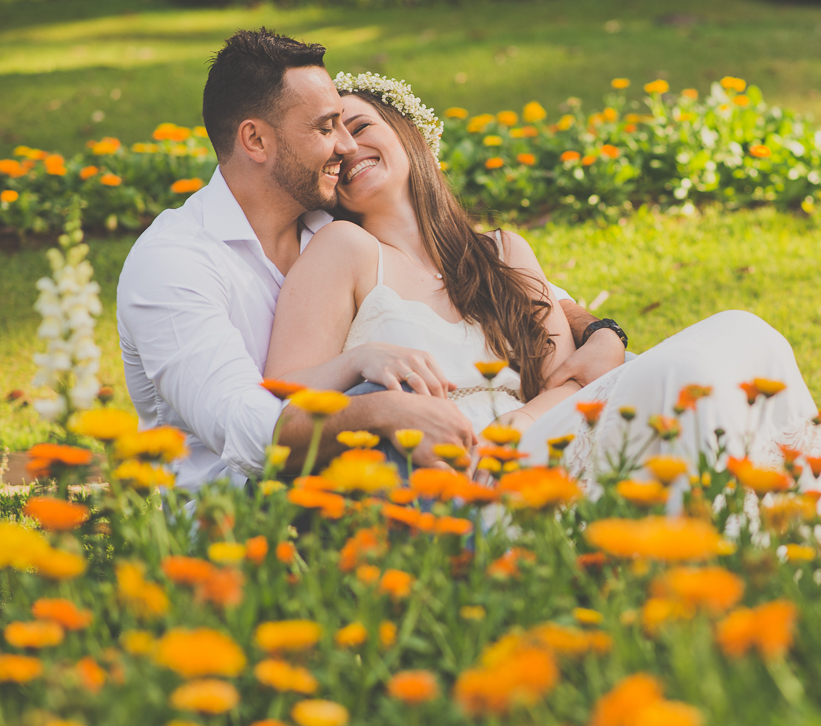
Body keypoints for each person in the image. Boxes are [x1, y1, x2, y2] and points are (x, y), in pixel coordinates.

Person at [263, 72, 821, 537]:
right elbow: (280, 389)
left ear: (408, 134)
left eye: (360, 126)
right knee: (683, 375)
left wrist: (522, 425)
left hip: (536, 439)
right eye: (332, 144)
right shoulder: (345, 250)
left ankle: (820, 536)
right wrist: (363, 357)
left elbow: (565, 377)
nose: (346, 148)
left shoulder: (502, 252)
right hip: (456, 472)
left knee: (746, 331)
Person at [116, 29, 621, 490]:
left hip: (479, 454)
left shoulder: (320, 220)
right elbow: (250, 426)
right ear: (255, 140)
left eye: (351, 124)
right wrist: (384, 407)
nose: (345, 145)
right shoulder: (176, 263)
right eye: (326, 127)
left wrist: (601, 331)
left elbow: (514, 295)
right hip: (248, 505)